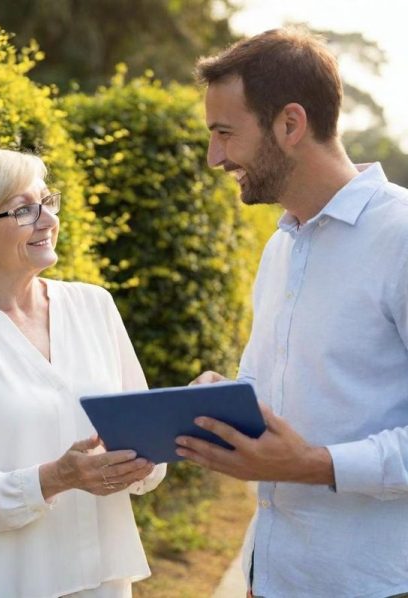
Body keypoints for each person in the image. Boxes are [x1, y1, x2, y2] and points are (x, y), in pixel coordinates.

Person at [173, 28, 408, 598]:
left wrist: (314, 463)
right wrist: (224, 400)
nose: (214, 157)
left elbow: (305, 454)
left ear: (290, 124)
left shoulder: (401, 236)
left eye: (225, 133)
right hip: (275, 575)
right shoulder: (280, 246)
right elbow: (270, 386)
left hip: (375, 583)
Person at [0, 149, 166, 598]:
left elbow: (148, 442)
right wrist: (56, 478)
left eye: (47, 201)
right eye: (24, 209)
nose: (47, 220)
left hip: (101, 577)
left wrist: (140, 461)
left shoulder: (95, 306)